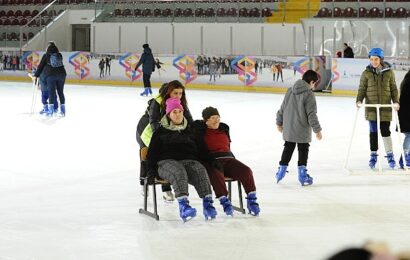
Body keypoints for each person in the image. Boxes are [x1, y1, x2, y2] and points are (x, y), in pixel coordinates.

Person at [146, 97, 217, 222]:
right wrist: (151, 171)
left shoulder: (190, 129)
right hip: (165, 162)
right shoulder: (160, 131)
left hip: (188, 160)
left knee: (200, 169)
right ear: (168, 114)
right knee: (178, 171)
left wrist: (211, 161)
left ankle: (208, 204)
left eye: (180, 111)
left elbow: (201, 149)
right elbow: (151, 154)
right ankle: (184, 206)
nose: (178, 114)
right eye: (174, 112)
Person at [193, 107, 260, 216]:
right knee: (216, 174)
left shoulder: (224, 129)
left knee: (246, 171)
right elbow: (199, 148)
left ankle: (251, 200)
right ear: (206, 120)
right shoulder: (200, 131)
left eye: (218, 117)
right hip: (212, 160)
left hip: (228, 159)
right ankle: (225, 201)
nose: (216, 120)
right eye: (213, 118)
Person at [136, 80, 194, 201]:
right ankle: (144, 183)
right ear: (168, 93)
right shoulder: (157, 102)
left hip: (164, 129)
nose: (178, 96)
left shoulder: (180, 102)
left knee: (168, 155)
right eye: (175, 93)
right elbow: (153, 122)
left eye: (180, 93)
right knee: (149, 154)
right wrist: (163, 139)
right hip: (146, 130)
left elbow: (188, 120)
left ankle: (166, 189)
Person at [275, 70, 322, 186]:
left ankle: (281, 171)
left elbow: (282, 108)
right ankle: (302, 174)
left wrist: (279, 122)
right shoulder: (309, 94)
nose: (314, 86)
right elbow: (311, 114)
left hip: (289, 127)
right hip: (302, 128)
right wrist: (317, 130)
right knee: (303, 148)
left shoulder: (290, 90)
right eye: (314, 83)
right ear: (311, 82)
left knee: (288, 147)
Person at [356, 47, 400, 169]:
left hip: (385, 107)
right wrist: (359, 100)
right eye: (372, 59)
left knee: (385, 132)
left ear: (381, 59)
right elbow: (362, 89)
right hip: (371, 108)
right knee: (373, 132)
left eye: (376, 59)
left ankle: (390, 155)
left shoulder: (389, 72)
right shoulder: (366, 73)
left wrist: (396, 101)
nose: (374, 62)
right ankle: (373, 154)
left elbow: (393, 89)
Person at [32, 42, 67, 117]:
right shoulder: (59, 55)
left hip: (51, 76)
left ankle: (50, 111)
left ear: (48, 48)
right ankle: (63, 110)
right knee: (60, 92)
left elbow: (40, 66)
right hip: (62, 74)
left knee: (51, 92)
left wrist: (36, 75)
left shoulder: (46, 55)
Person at [398, 70, 410, 168]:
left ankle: (406, 156)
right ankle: (404, 158)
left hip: (404, 115)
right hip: (406, 116)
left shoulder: (406, 80)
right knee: (409, 136)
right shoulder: (408, 83)